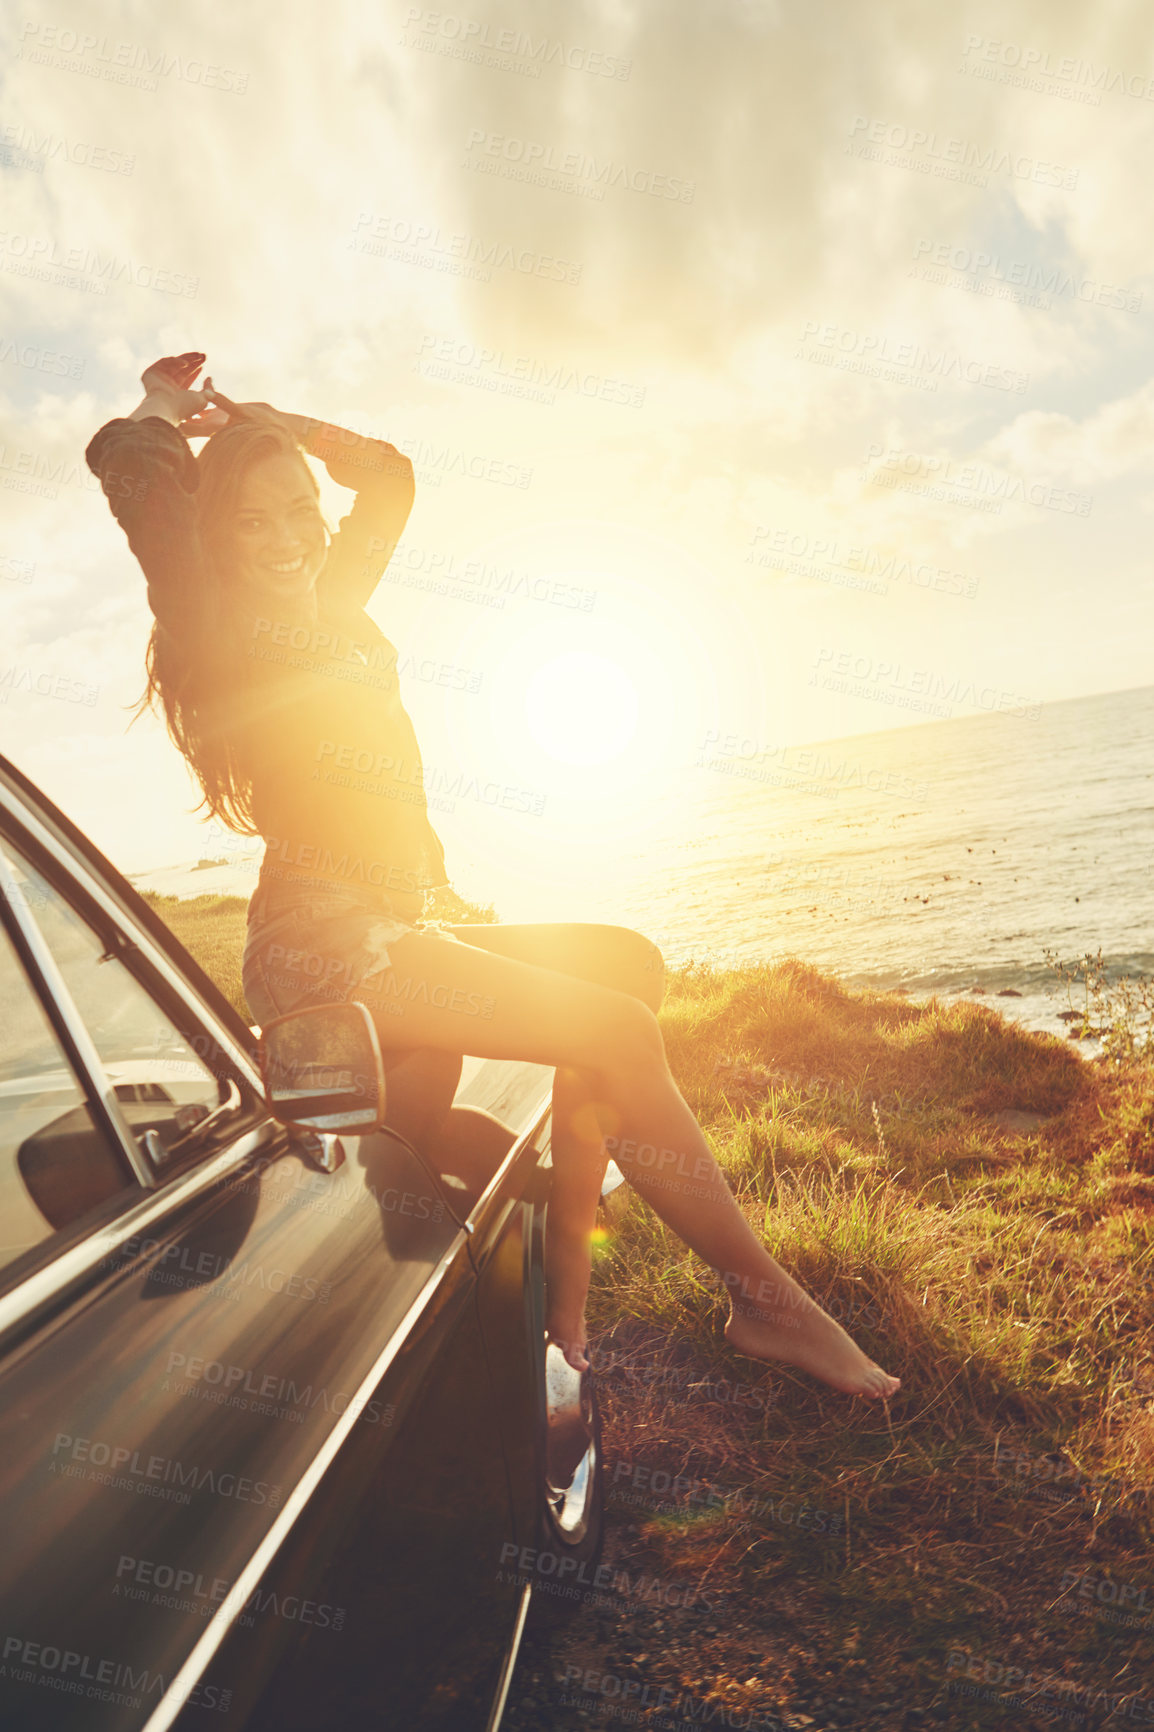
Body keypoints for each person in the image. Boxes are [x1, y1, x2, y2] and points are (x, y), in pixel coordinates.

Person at [85, 351, 900, 1400]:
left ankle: (565, 1293)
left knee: (624, 964)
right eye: (254, 521)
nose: (289, 538)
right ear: (214, 538)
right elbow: (130, 466)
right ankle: (766, 1303)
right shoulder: (218, 620)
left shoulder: (329, 596)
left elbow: (387, 479)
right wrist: (161, 411)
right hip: (322, 952)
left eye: (299, 512)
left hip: (394, 921)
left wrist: (274, 420)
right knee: (614, 1028)